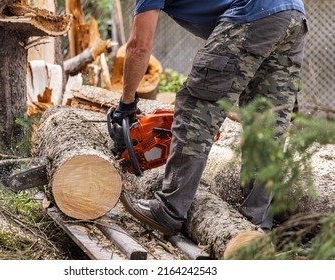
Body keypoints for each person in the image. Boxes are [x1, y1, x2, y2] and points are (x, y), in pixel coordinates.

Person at [113, 0, 308, 235]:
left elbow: (138, 47)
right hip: (294, 14)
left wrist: (126, 104)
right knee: (268, 120)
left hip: (254, 12)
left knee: (197, 108)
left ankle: (168, 209)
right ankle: (256, 224)